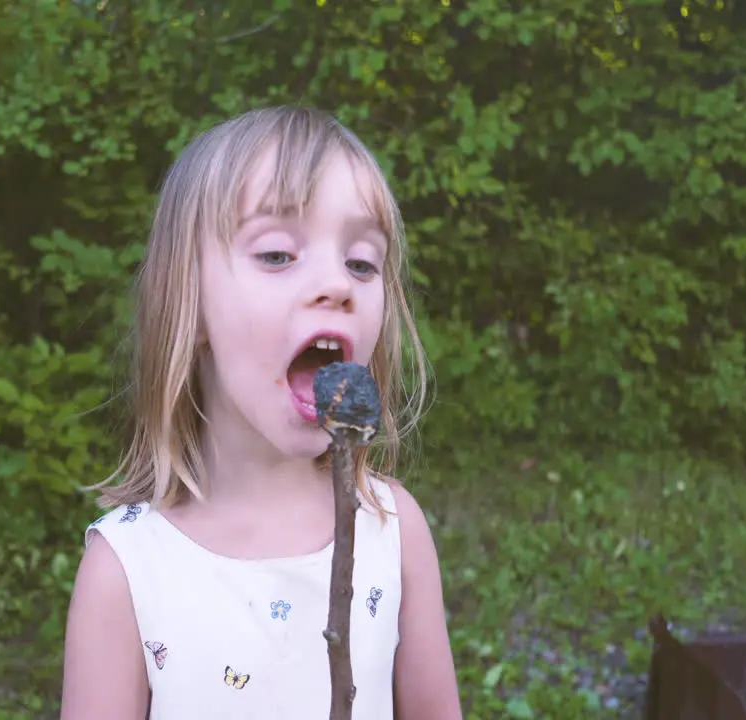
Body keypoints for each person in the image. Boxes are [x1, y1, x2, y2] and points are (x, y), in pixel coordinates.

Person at [60, 105, 462, 720]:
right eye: (277, 254)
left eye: (362, 262)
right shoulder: (127, 571)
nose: (339, 284)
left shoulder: (393, 530)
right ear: (189, 305)